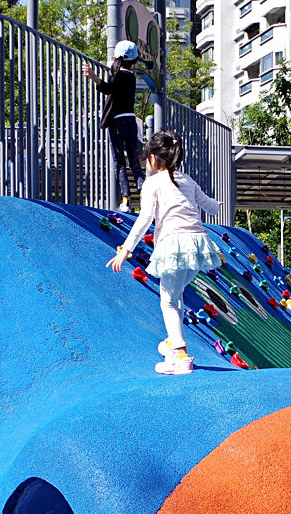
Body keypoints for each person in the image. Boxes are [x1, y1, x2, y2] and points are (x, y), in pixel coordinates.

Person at [107, 130, 223, 375]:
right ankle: (173, 342)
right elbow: (208, 205)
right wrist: (216, 204)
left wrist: (125, 250)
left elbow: (145, 219)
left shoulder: (152, 183)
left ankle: (180, 356)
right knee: (175, 295)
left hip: (174, 244)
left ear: (152, 159)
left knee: (168, 299)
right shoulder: (187, 180)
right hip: (197, 245)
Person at [84, 41, 145, 214]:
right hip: (131, 121)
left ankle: (126, 201)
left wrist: (94, 76)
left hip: (117, 122)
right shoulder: (131, 76)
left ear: (115, 57)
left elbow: (108, 89)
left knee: (119, 163)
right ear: (133, 61)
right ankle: (143, 198)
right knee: (134, 161)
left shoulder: (117, 75)